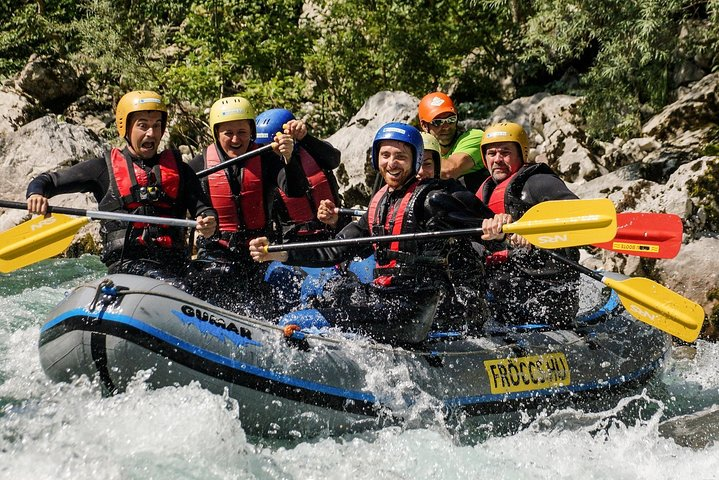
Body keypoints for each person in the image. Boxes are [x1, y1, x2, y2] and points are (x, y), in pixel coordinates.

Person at [250, 122, 492, 344]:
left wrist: (497, 229)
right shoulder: (379, 206)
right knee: (318, 292)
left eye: (401, 157)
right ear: (377, 160)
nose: (392, 163)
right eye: (385, 155)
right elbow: (334, 250)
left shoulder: (432, 200)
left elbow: (480, 229)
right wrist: (279, 253)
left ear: (416, 161)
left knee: (296, 323)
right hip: (384, 297)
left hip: (412, 311)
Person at [26, 90, 217, 282]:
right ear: (125, 127)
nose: (151, 133)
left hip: (175, 264)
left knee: (209, 282)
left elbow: (203, 208)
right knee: (168, 282)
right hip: (128, 266)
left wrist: (208, 221)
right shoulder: (101, 169)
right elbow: (48, 181)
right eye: (143, 125)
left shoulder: (180, 171)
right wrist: (36, 193)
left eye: (157, 125)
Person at [185, 96, 303, 315]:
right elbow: (183, 208)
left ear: (252, 132)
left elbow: (296, 190)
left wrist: (289, 158)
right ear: (216, 134)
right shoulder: (198, 166)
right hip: (216, 252)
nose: (236, 139)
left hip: (258, 252)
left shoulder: (267, 158)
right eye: (228, 133)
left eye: (242, 132)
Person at [477, 121, 580, 327]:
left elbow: (576, 215)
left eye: (505, 152)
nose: (497, 159)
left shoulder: (539, 182)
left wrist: (533, 231)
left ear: (521, 154)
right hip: (507, 280)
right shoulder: (484, 192)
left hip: (549, 286)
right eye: (491, 153)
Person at [255, 108, 347, 243]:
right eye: (263, 146)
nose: (269, 150)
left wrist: (304, 137)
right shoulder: (266, 167)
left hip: (335, 229)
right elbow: (295, 189)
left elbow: (334, 159)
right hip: (294, 240)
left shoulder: (312, 149)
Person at [418, 92, 488, 192]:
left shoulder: (474, 137)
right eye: (438, 122)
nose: (446, 127)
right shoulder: (422, 146)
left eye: (451, 119)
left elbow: (448, 171)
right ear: (424, 125)